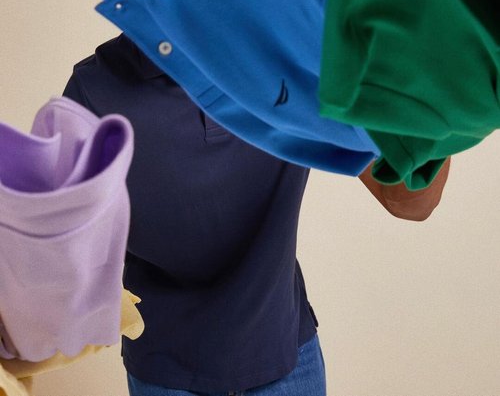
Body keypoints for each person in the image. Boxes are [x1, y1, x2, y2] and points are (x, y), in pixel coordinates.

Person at [63, 30, 449, 396]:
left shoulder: (290, 58)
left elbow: (407, 199)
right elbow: (65, 255)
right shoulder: (94, 90)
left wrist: (440, 96)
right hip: (165, 370)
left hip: (286, 358)